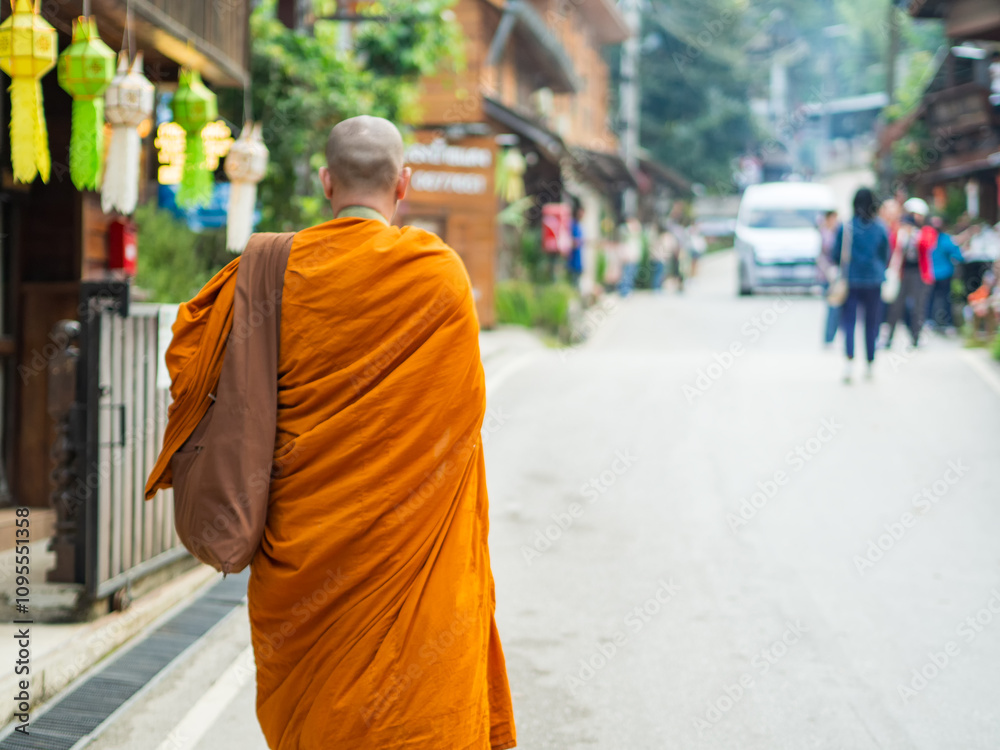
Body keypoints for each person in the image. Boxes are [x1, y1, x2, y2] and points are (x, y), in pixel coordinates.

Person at [147, 116, 516, 750]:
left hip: (304, 569)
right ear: (403, 183)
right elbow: (461, 418)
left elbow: (189, 366)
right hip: (412, 571)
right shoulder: (438, 275)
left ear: (325, 182)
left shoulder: (267, 272)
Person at [832, 188, 889, 383]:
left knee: (849, 322)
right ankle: (870, 363)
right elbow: (885, 255)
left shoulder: (846, 227)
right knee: (872, 323)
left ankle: (849, 363)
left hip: (851, 280)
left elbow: (835, 255)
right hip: (874, 280)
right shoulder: (880, 227)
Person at [885, 197, 936, 348]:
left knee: (918, 307)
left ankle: (916, 338)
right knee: (896, 307)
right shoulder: (899, 230)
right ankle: (888, 339)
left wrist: (913, 234)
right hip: (902, 273)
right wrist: (903, 233)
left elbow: (926, 245)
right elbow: (892, 245)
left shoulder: (926, 231)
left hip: (919, 274)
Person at [925, 216, 964, 333]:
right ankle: (947, 323)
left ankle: (929, 320)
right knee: (945, 298)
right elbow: (958, 256)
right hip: (944, 274)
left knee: (930, 298)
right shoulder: (946, 239)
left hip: (930, 274)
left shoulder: (926, 239)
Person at [816, 210, 841, 346]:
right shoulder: (824, 233)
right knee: (832, 307)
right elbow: (821, 256)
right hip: (827, 275)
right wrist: (827, 271)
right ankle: (828, 337)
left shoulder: (839, 232)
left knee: (836, 308)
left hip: (837, 274)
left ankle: (832, 336)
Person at [618, 217, 642, 296]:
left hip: (633, 259)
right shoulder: (627, 235)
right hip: (628, 258)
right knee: (627, 276)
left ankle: (627, 290)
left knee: (631, 275)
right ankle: (624, 291)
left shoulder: (635, 237)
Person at [567, 204, 585, 289]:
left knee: (577, 279)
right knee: (572, 280)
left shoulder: (580, 226)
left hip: (578, 259)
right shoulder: (572, 224)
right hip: (571, 258)